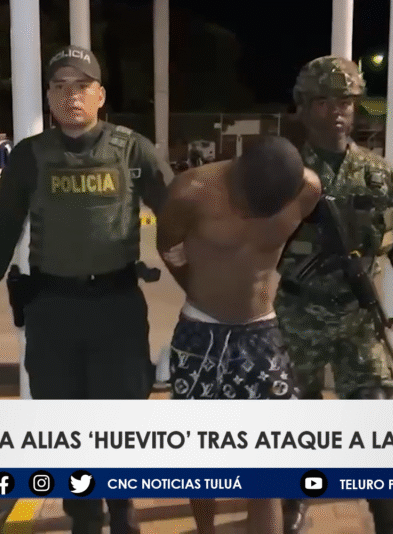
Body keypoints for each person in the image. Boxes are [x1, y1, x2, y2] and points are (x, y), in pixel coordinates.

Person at [0, 45, 171, 534]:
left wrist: (207, 281)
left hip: (116, 309)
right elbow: (0, 234)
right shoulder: (30, 157)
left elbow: (180, 214)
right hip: (53, 310)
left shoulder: (132, 150)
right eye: (59, 86)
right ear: (49, 97)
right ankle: (83, 518)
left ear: (100, 95)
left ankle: (123, 512)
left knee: (119, 422)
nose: (71, 96)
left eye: (81, 86)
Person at [275, 56, 393, 534]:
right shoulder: (280, 175)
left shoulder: (380, 177)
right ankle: (294, 504)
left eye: (346, 101)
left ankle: (386, 520)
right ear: (302, 108)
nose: (337, 111)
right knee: (296, 423)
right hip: (296, 316)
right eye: (324, 101)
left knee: (375, 426)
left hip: (359, 320)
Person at [156, 135, 322, 534]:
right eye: (243, 203)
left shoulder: (308, 191)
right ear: (237, 168)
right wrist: (202, 292)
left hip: (262, 334)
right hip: (200, 333)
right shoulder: (190, 191)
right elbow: (168, 248)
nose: (248, 215)